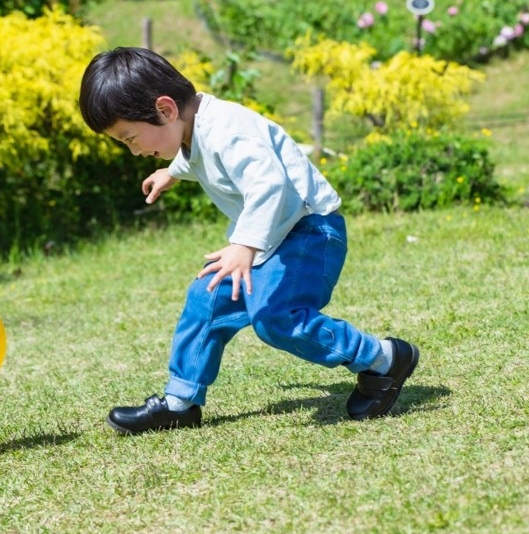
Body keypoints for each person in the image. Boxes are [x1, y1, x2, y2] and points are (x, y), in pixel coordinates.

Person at [78, 47, 419, 434]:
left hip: (308, 233)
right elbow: (198, 155)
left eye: (129, 138)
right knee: (206, 298)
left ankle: (383, 360)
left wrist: (244, 246)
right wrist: (172, 172)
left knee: (277, 318)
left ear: (166, 109)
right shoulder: (194, 126)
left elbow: (269, 183)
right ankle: (180, 402)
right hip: (271, 237)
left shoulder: (228, 129)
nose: (134, 150)